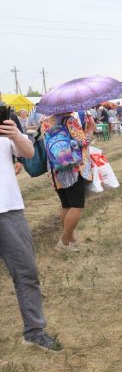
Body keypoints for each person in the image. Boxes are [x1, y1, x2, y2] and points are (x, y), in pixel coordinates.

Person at [0, 115, 63, 352]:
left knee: (26, 271)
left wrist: (15, 134)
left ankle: (34, 332)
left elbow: (28, 153)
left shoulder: (6, 119)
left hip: (9, 208)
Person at [40, 112, 91, 251]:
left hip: (55, 169)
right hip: (72, 168)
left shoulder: (46, 121)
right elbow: (82, 142)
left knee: (66, 205)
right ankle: (64, 242)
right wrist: (90, 131)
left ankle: (71, 239)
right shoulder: (69, 120)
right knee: (76, 205)